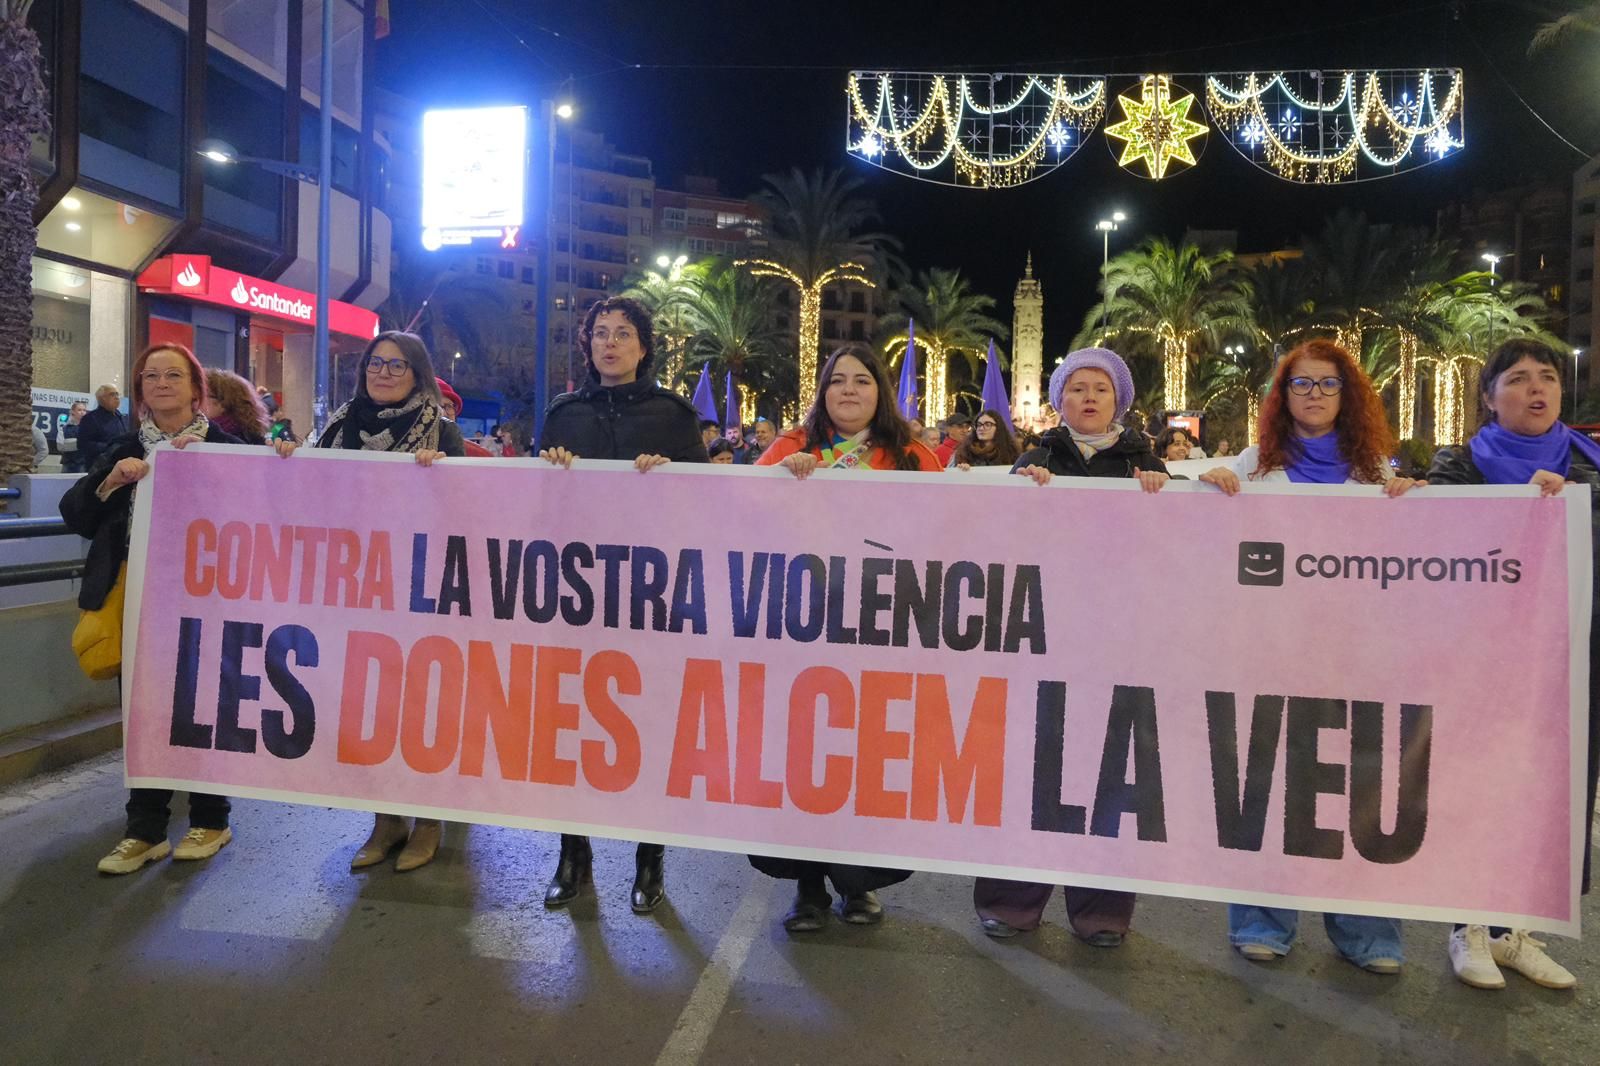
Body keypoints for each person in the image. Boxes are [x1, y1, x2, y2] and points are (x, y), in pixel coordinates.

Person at [1199, 338, 1419, 974]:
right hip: (1270, 651)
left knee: (1361, 787)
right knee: (1266, 785)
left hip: (1357, 655)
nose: (1314, 394)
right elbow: (1205, 535)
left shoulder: (1376, 473)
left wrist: (1421, 504)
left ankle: (1367, 932)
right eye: (1301, 383)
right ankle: (1261, 921)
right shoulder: (1252, 464)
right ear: (1283, 395)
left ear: (1347, 395)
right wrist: (1206, 486)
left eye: (1327, 383)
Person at [981, 348, 1169, 948]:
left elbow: (1179, 543)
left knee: (1112, 772)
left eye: (1101, 389)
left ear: (1120, 400)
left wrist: (1174, 494)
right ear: (1059, 400)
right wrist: (1021, 494)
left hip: (1121, 642)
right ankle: (1011, 901)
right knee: (1029, 770)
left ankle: (1102, 909)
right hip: (1040, 637)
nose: (1089, 398)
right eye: (1077, 388)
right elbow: (998, 539)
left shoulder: (1147, 464)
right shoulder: (1034, 458)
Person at [1425, 338, 1596, 992]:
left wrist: (1573, 499)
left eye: (1547, 376)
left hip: (1569, 657)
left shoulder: (1588, 466)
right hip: (1481, 657)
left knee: (1547, 792)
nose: (1536, 389)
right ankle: (1466, 928)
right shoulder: (1459, 465)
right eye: (1518, 378)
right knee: (1476, 786)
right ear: (1490, 396)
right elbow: (1441, 538)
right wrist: (1521, 506)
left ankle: (1511, 931)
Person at [754, 343, 942, 933]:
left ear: (880, 391)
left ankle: (859, 883)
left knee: (870, 760)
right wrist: (779, 482)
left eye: (862, 380)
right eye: (838, 380)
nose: (849, 390)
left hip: (883, 635)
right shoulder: (791, 448)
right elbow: (738, 515)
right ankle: (807, 886)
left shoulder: (913, 457)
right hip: (801, 635)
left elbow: (951, 530)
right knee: (804, 760)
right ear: (823, 391)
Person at [537, 295, 707, 915]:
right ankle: (572, 854)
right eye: (600, 333)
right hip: (575, 596)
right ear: (588, 345)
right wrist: (550, 471)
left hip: (652, 598)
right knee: (570, 725)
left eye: (623, 333)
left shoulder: (673, 417)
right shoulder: (563, 415)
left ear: (643, 346)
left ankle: (649, 857)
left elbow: (707, 506)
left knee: (651, 724)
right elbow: (535, 507)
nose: (610, 343)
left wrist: (672, 479)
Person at [275, 331, 464, 872]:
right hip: (354, 592)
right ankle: (386, 820)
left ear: (417, 374)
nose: (383, 372)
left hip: (419, 592)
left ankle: (429, 822)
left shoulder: (440, 430)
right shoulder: (338, 428)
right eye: (376, 363)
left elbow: (466, 511)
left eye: (397, 365)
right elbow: (309, 496)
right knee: (370, 708)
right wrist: (288, 461)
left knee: (421, 707)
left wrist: (441, 477)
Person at [61, 344, 244, 874]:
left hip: (212, 604)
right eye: (150, 375)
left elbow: (275, 507)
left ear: (195, 387)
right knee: (142, 717)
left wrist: (237, 467)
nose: (161, 383)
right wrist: (111, 481)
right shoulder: (122, 447)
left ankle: (211, 818)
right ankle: (144, 831)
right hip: (140, 602)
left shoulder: (229, 448)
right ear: (140, 388)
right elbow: (75, 513)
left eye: (173, 375)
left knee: (206, 709)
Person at [202, 369, 270, 446]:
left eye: (203, 395)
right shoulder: (197, 431)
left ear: (223, 403)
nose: (197, 402)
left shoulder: (252, 439)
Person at [436, 378, 492, 456]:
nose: (443, 414)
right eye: (435, 407)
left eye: (449, 406)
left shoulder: (479, 456)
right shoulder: (417, 456)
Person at [77, 383, 127, 470]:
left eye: (117, 394)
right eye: (112, 394)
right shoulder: (90, 418)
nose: (116, 397)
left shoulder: (121, 417)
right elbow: (83, 444)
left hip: (121, 466)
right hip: (100, 468)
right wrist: (110, 447)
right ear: (101, 398)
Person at [951, 409, 1021, 469]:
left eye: (988, 424)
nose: (981, 428)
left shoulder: (1011, 452)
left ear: (998, 428)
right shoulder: (964, 452)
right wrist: (960, 470)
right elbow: (950, 475)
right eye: (979, 425)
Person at [58, 401, 88, 474]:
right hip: (67, 464)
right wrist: (79, 443)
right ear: (72, 412)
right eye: (79, 410)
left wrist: (68, 443)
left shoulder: (90, 428)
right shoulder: (64, 429)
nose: (82, 412)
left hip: (83, 464)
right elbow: (60, 446)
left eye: (84, 410)